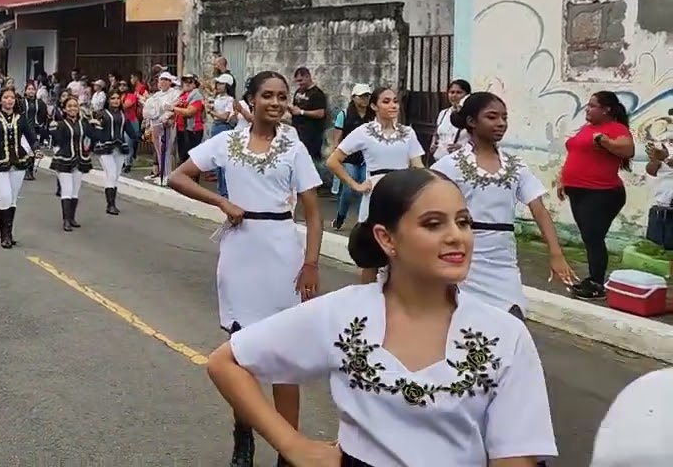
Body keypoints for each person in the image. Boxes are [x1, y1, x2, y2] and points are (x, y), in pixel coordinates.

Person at [205, 169, 557, 467]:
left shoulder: (504, 336)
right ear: (387, 238)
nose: (456, 236)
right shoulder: (344, 314)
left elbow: (517, 457)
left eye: (463, 222)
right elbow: (227, 362)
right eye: (433, 224)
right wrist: (295, 447)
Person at [168, 70, 324, 466]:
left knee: (287, 356)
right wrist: (221, 202)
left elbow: (312, 211)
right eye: (267, 95)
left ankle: (288, 452)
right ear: (251, 100)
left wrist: (310, 263)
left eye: (281, 96)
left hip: (283, 251)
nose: (274, 102)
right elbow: (178, 177)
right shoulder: (227, 141)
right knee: (244, 354)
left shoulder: (294, 146)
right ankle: (244, 436)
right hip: (240, 253)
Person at [432, 92, 577, 317]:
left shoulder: (515, 166)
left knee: (513, 320)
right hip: (462, 255)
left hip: (503, 260)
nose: (501, 123)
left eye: (504, 117)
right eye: (492, 117)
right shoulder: (450, 165)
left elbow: (538, 208)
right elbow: (429, 209)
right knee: (466, 326)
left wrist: (556, 253)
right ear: (471, 121)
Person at [325, 87, 425, 284]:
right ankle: (367, 299)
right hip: (376, 194)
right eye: (386, 101)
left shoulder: (408, 133)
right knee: (371, 253)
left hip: (402, 193)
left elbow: (418, 166)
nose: (393, 105)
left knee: (400, 249)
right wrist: (355, 185)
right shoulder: (364, 132)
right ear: (374, 106)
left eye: (395, 101)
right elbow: (333, 161)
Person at [555, 90, 634, 300]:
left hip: (602, 193)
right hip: (578, 191)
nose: (587, 109)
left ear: (606, 109)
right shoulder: (587, 129)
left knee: (593, 238)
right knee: (590, 237)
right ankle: (593, 280)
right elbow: (575, 154)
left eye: (592, 105)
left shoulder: (614, 128)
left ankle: (596, 283)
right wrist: (562, 179)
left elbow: (628, 150)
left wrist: (606, 142)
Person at [0, 87, 38, 248]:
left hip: (18, 162)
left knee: (12, 198)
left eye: (11, 97)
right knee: (4, 196)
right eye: (6, 97)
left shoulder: (21, 118)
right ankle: (3, 235)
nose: (9, 100)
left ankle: (9, 233)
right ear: (0, 100)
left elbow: (31, 136)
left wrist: (37, 149)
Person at [329, 83, 373, 231]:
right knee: (349, 189)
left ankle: (363, 222)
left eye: (367, 96)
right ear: (354, 98)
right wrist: (336, 153)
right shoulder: (345, 114)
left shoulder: (372, 115)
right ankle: (341, 216)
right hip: (349, 158)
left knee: (366, 188)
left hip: (366, 157)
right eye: (361, 96)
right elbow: (337, 136)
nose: (365, 99)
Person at [91, 90, 137, 215]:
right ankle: (110, 205)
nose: (116, 100)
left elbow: (131, 132)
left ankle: (112, 203)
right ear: (108, 100)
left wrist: (142, 135)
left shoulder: (123, 115)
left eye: (117, 98)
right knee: (111, 174)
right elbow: (96, 132)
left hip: (120, 148)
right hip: (105, 148)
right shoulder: (102, 114)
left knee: (115, 175)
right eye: (113, 98)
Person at [50, 96, 92, 231]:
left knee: (76, 190)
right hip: (64, 159)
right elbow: (58, 140)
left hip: (80, 159)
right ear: (64, 109)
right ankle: (66, 220)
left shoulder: (83, 124)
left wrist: (96, 124)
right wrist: (52, 130)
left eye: (75, 106)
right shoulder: (61, 124)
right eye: (69, 106)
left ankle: (72, 218)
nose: (73, 108)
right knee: (67, 189)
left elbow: (95, 136)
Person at [430, 79, 472, 162]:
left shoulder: (471, 115)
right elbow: (437, 133)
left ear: (467, 95)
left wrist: (463, 147)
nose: (454, 95)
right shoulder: (443, 113)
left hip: (461, 160)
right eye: (452, 92)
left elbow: (478, 139)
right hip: (440, 160)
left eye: (459, 92)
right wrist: (433, 143)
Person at [17, 81, 49, 181]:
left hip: (35, 129)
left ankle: (30, 171)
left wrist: (39, 124)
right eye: (29, 89)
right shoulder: (21, 102)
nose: (31, 91)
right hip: (23, 130)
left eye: (33, 89)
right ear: (25, 91)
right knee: (26, 148)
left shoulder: (39, 103)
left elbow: (43, 114)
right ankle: (24, 169)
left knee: (33, 150)